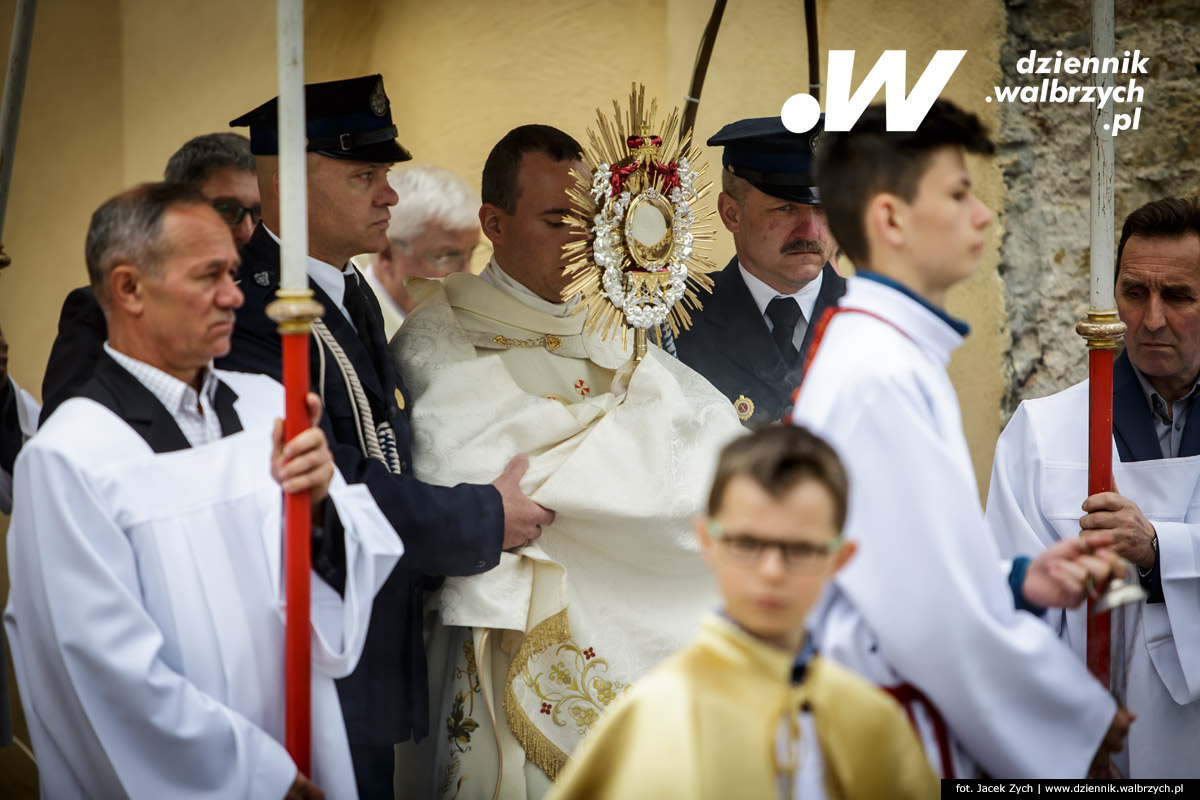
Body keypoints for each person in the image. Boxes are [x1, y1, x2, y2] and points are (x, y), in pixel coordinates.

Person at [4, 182, 402, 798]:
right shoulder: (70, 458)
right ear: (128, 287)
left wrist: (322, 508)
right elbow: (104, 674)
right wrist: (260, 778)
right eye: (208, 275)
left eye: (234, 273)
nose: (234, 296)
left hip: (308, 744)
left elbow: (342, 589)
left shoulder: (272, 407)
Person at [218, 76, 551, 798]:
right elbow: (327, 480)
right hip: (309, 649)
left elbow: (388, 441)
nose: (388, 196)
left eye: (387, 175)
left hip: (375, 637)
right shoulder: (254, 307)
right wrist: (483, 515)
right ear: (290, 183)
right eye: (364, 175)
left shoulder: (344, 287)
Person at [392, 123, 744, 799]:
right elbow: (472, 472)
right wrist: (613, 459)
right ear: (494, 223)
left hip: (614, 611)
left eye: (587, 219)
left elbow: (697, 440)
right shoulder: (439, 334)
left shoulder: (610, 325)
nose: (579, 241)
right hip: (507, 631)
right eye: (555, 220)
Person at [790, 99, 1132, 778]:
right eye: (957, 194)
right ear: (890, 218)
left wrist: (1014, 580)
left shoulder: (885, 351)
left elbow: (907, 565)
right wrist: (1074, 721)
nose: (983, 215)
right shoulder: (880, 372)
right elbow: (930, 619)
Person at [549, 425, 936, 800]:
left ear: (838, 559)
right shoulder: (658, 714)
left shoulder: (871, 721)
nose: (771, 571)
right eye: (748, 542)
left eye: (800, 549)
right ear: (708, 542)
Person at [987, 196, 1200, 777]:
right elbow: (1009, 616)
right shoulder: (1042, 434)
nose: (1151, 319)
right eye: (1133, 293)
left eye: (1178, 296)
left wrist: (1159, 549)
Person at [40, 132, 261, 423]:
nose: (246, 230)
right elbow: (69, 427)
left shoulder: (265, 300)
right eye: (226, 210)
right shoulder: (98, 309)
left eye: (257, 213)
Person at [674, 117, 845, 424]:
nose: (810, 230)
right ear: (731, 213)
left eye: (822, 208)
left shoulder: (874, 317)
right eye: (785, 208)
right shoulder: (677, 318)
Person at [361, 163, 480, 338]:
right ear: (387, 255)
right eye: (448, 257)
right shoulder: (352, 332)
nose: (467, 275)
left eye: (471, 254)